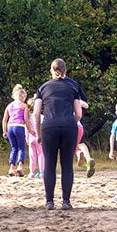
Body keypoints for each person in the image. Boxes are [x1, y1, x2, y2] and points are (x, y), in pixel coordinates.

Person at [33, 58, 82, 210]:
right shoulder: (73, 86)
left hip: (49, 127)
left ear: (51, 71)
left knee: (49, 163)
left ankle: (49, 201)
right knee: (67, 164)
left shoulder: (43, 88)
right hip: (68, 126)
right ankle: (66, 201)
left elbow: (35, 113)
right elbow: (79, 113)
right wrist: (70, 120)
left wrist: (38, 132)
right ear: (65, 70)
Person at [62, 73, 96, 178]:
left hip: (68, 124)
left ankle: (71, 166)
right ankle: (87, 158)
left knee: (69, 146)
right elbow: (86, 105)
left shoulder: (62, 100)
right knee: (81, 143)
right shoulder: (75, 99)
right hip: (78, 125)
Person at [2, 84, 35, 177]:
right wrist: (30, 130)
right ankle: (20, 166)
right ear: (23, 96)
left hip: (10, 127)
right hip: (19, 126)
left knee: (13, 148)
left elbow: (4, 119)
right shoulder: (24, 106)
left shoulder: (9, 106)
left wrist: (4, 131)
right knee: (21, 148)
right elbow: (26, 119)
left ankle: (12, 167)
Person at [26, 96, 44, 179]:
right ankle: (42, 172)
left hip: (31, 138)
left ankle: (31, 172)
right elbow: (42, 127)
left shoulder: (28, 118)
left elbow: (26, 128)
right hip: (39, 138)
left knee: (32, 156)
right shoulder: (41, 117)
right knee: (41, 154)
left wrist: (27, 138)